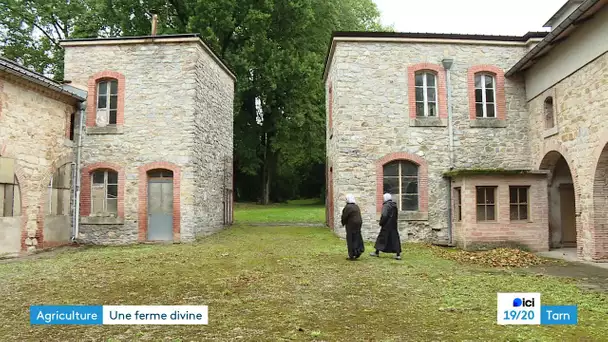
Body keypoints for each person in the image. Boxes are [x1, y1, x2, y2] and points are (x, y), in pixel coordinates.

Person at [370, 193, 402, 260]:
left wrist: (381, 223)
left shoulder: (386, 206)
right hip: (393, 225)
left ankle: (376, 252)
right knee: (394, 239)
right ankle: (398, 255)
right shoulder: (394, 206)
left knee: (381, 238)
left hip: (386, 225)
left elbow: (384, 215)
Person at [341, 194, 365, 260]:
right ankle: (358, 251)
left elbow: (344, 216)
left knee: (350, 238)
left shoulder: (348, 207)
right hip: (358, 224)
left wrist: (343, 222)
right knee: (357, 237)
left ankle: (351, 254)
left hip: (351, 224)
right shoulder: (356, 206)